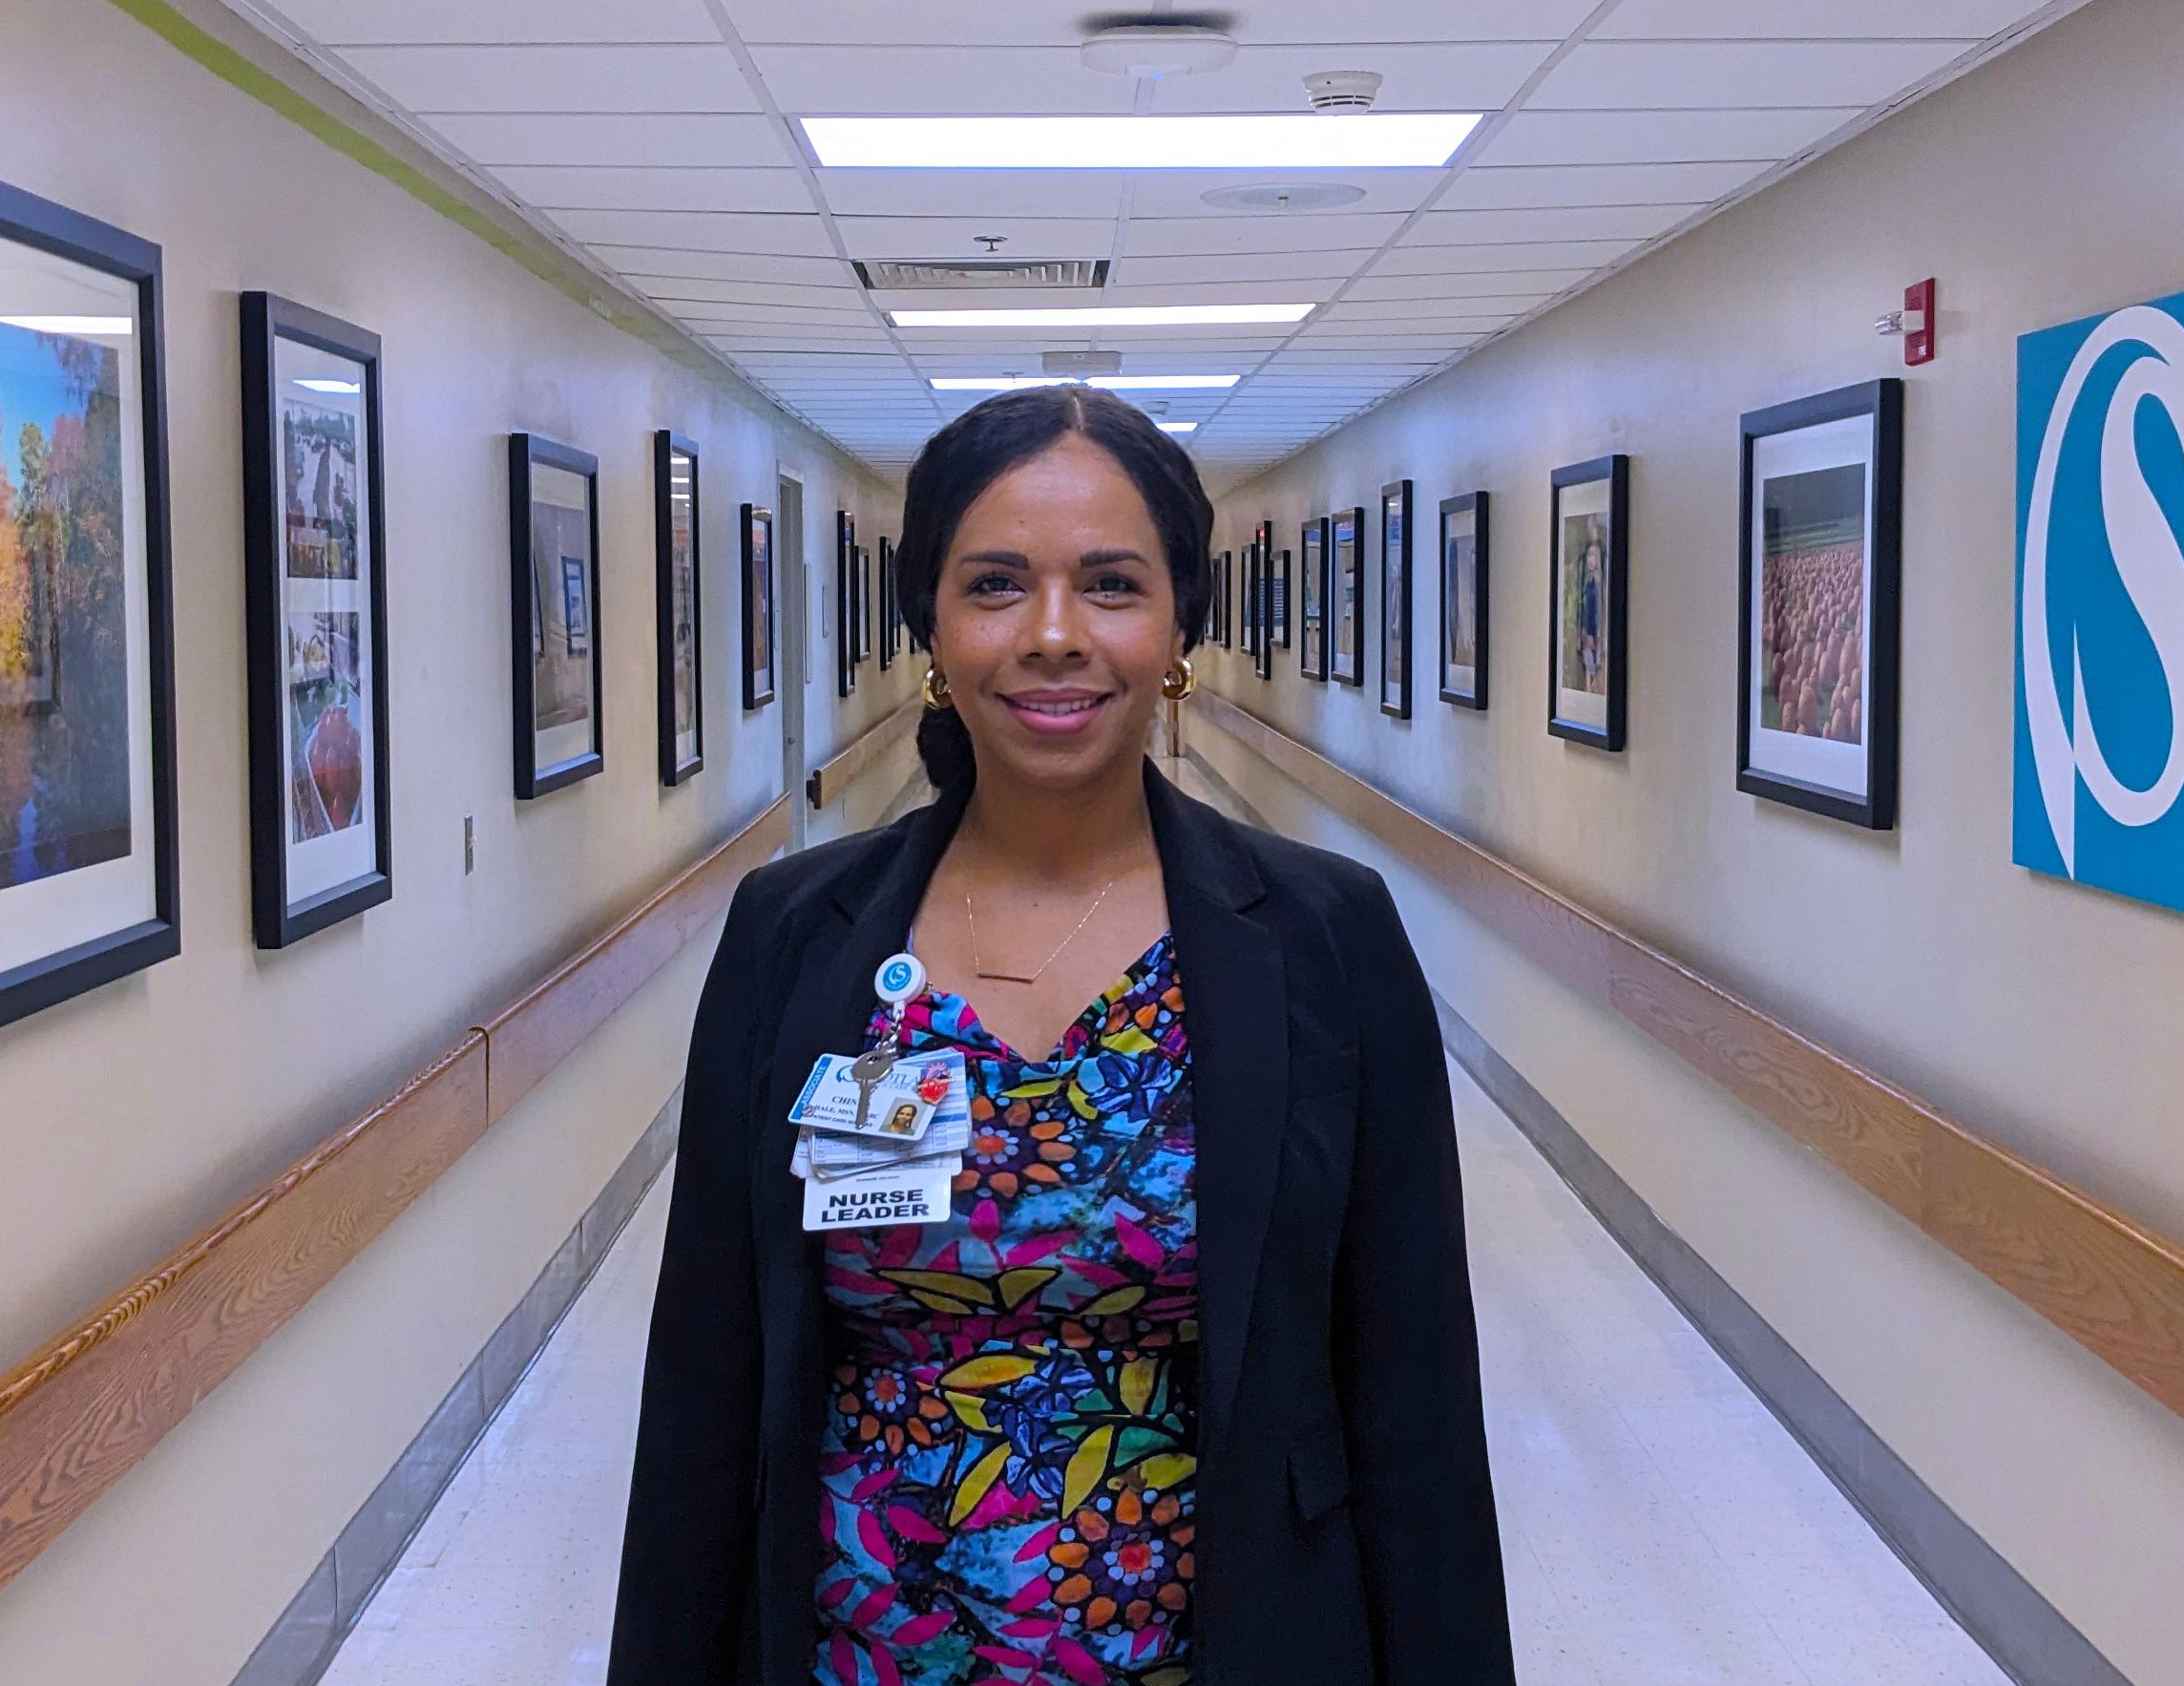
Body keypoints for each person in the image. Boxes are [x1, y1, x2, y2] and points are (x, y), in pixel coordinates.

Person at [609, 386, 1512, 1686]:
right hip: (859, 1652)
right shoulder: (799, 934)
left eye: (1108, 583)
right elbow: (705, 1380)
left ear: (1178, 622)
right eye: (994, 584)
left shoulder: (1323, 937)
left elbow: (1414, 1396)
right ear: (929, 620)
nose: (1052, 634)